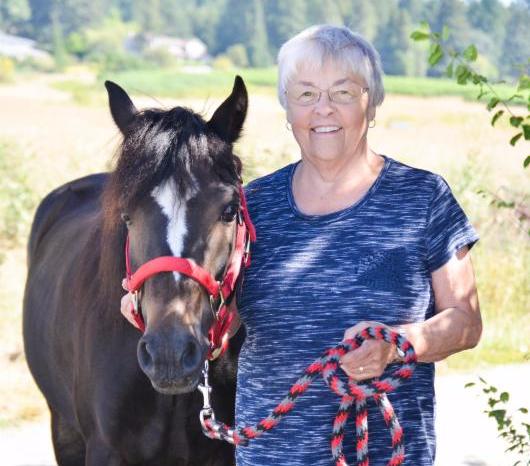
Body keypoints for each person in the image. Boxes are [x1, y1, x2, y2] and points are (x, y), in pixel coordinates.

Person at [122, 25, 482, 466]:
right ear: (288, 110)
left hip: (387, 453)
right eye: (306, 94)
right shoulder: (250, 206)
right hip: (269, 455)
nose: (323, 110)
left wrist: (400, 343)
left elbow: (465, 321)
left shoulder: (423, 198)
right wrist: (167, 312)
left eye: (343, 93)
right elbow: (228, 320)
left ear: (372, 103)